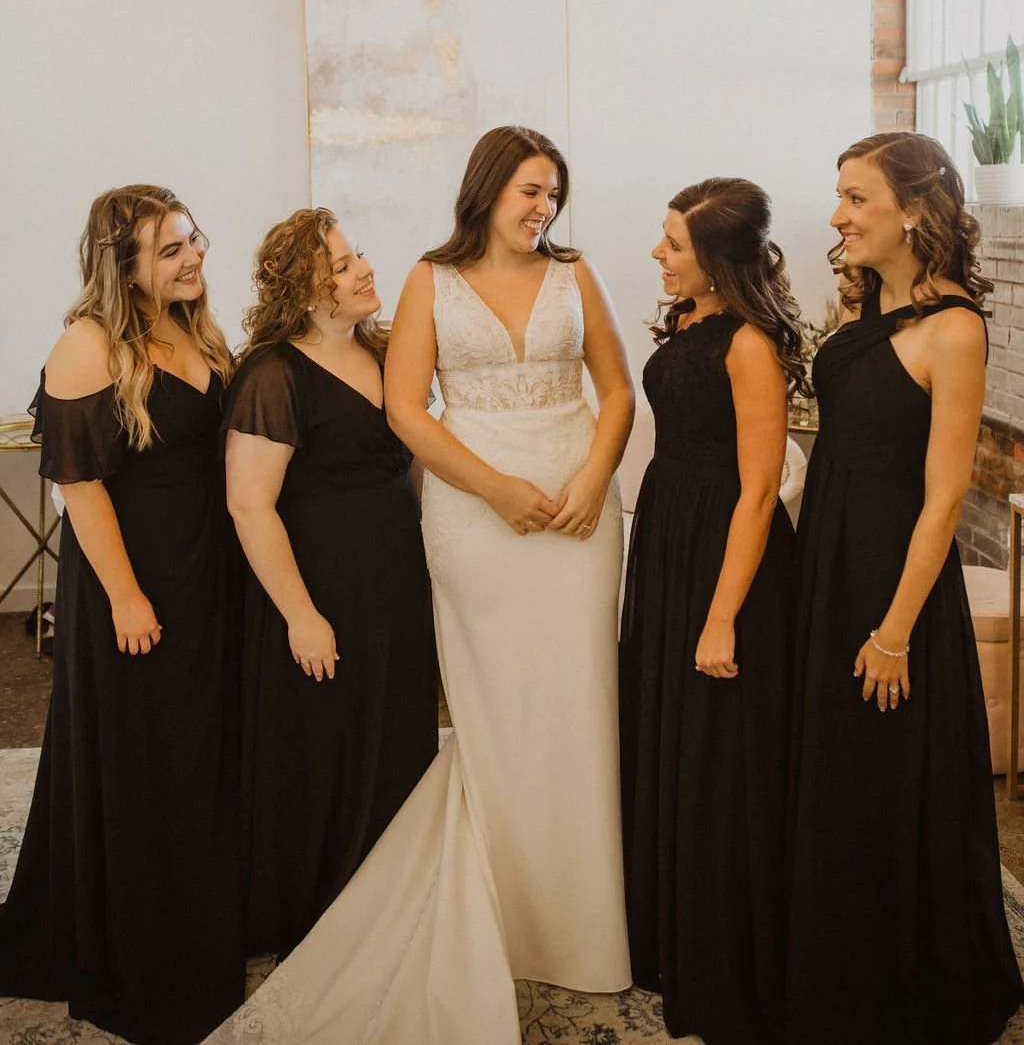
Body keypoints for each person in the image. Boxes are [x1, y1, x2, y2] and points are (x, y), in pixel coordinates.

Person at [204, 125, 634, 1045]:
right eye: (527, 189)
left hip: (579, 504)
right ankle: (498, 902)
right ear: (486, 190)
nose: (542, 206)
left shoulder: (578, 274)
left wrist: (598, 477)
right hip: (478, 512)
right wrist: (494, 489)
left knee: (582, 699)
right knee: (488, 708)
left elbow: (618, 390)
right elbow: (409, 412)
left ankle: (585, 914)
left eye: (552, 191)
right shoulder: (426, 284)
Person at [786, 131, 1024, 1045]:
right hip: (831, 561)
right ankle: (838, 957)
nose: (839, 215)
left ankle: (906, 975)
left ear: (914, 211)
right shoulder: (866, 304)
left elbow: (944, 497)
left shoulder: (955, 329)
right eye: (838, 196)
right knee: (839, 774)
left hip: (897, 582)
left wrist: (893, 631)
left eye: (855, 198)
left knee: (889, 774)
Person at [0, 186, 245, 1045]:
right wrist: (128, 596)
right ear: (123, 264)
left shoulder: (194, 327)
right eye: (172, 248)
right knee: (147, 757)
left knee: (201, 747)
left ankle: (202, 912)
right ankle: (142, 945)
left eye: (193, 239)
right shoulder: (87, 343)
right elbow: (78, 484)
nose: (193, 258)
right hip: (132, 584)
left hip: (207, 570)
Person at [619, 177, 805, 1045]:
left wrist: (723, 614)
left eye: (674, 244)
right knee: (668, 739)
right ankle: (665, 940)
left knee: (720, 763)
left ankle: (726, 967)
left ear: (718, 259)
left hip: (729, 559)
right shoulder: (689, 322)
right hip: (671, 538)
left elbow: (761, 489)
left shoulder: (750, 345)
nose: (659, 253)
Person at [222, 209, 437, 957]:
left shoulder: (384, 352)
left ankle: (391, 897)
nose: (363, 271)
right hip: (319, 586)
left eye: (358, 256)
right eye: (341, 267)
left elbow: (409, 461)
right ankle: (316, 913)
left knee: (396, 732)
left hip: (394, 578)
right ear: (305, 291)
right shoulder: (273, 372)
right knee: (323, 749)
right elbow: (249, 503)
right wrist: (301, 616)